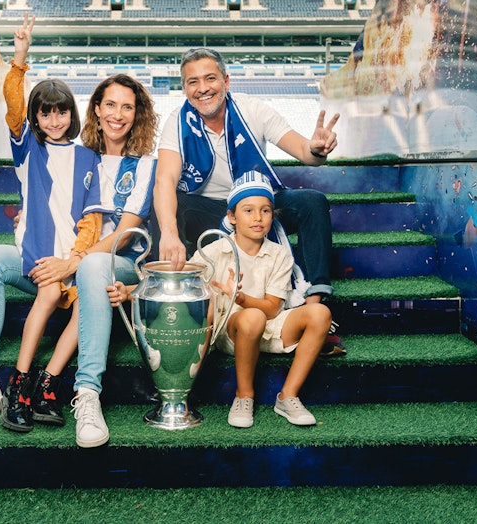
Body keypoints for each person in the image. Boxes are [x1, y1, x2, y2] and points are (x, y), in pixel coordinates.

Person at [0, 14, 105, 433]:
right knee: (9, 269)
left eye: (61, 112)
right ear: (35, 118)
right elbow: (13, 100)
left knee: (84, 293)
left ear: (72, 114)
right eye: (45, 114)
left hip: (75, 263)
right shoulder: (27, 148)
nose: (54, 121)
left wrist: (76, 258)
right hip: (37, 257)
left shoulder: (89, 157)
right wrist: (20, 57)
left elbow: (92, 218)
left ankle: (45, 385)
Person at [152, 46, 345, 353]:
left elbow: (304, 151)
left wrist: (317, 148)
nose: (202, 89)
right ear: (184, 87)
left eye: (210, 78)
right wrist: (169, 234)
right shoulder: (177, 121)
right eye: (192, 82)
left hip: (258, 200)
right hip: (210, 207)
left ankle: (312, 309)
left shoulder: (253, 109)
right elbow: (165, 179)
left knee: (312, 201)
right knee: (169, 207)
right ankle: (180, 312)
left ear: (226, 81)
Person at [109, 172, 331, 427]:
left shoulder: (279, 254)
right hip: (233, 331)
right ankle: (244, 395)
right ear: (232, 217)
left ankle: (288, 395)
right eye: (248, 211)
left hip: (269, 327)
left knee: (320, 313)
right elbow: (179, 278)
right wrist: (129, 290)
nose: (258, 218)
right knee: (251, 317)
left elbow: (272, 309)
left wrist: (241, 297)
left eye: (266, 210)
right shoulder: (214, 251)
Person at [70, 74, 159, 448]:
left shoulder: (144, 165)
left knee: (92, 266)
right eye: (110, 104)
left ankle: (87, 391)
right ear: (96, 108)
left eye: (127, 106)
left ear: (137, 115)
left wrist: (72, 262)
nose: (117, 114)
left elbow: (124, 236)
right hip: (71, 254)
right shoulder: (76, 158)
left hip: (120, 263)